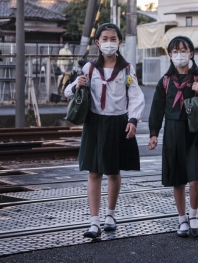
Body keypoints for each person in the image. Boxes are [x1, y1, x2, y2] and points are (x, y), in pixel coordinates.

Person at [64, 23, 144, 239]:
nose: (109, 43)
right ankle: (94, 222)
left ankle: (110, 215)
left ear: (119, 42)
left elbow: (136, 95)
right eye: (105, 39)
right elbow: (68, 92)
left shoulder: (127, 69)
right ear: (98, 43)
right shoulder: (89, 68)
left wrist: (133, 119)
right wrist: (76, 85)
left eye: (113, 38)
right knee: (93, 171)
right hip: (95, 123)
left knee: (114, 171)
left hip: (118, 123)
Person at [148, 36, 198, 238]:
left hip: (196, 132)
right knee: (178, 178)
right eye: (175, 51)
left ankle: (194, 216)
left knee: (195, 177)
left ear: (191, 53)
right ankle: (181, 219)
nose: (180, 55)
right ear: (170, 55)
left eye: (184, 50)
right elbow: (156, 110)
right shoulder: (165, 81)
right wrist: (153, 134)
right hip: (173, 131)